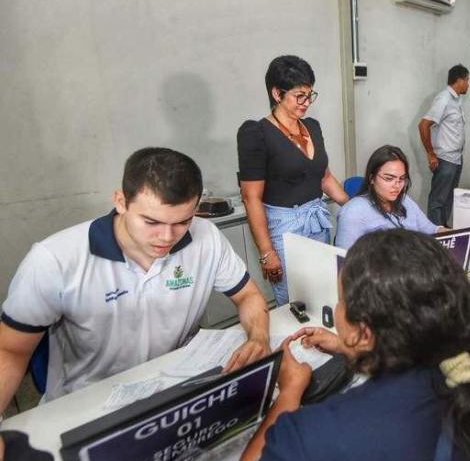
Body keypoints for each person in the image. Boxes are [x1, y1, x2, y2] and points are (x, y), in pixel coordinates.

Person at [233, 230, 470, 461]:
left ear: (364, 332)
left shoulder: (316, 439)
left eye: (342, 301)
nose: (337, 306)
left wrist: (290, 390)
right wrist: (351, 349)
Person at [0, 148, 271, 409]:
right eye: (151, 222)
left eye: (182, 222)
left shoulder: (206, 237)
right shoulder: (55, 259)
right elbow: (10, 350)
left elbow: (247, 295)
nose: (166, 237)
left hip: (175, 387)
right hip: (86, 404)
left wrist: (258, 337)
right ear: (121, 202)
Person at [238, 55, 349, 306]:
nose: (307, 102)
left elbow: (325, 177)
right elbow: (251, 197)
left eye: (310, 95)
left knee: (324, 295)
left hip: (317, 219)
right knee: (294, 302)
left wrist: (353, 205)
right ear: (277, 93)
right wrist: (267, 253)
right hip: (284, 226)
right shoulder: (256, 133)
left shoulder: (312, 126)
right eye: (300, 95)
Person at [335, 145, 470, 251]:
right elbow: (345, 264)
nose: (397, 186)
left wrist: (462, 238)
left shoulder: (404, 200)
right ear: (372, 178)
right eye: (389, 178)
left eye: (402, 179)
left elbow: (431, 230)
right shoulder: (354, 212)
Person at [419, 64, 470, 226]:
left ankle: (445, 230)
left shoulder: (457, 100)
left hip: (456, 158)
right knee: (438, 199)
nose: (468, 84)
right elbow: (423, 125)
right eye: (467, 80)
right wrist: (431, 153)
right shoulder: (444, 99)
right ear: (459, 80)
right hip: (445, 159)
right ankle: (435, 235)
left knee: (449, 198)